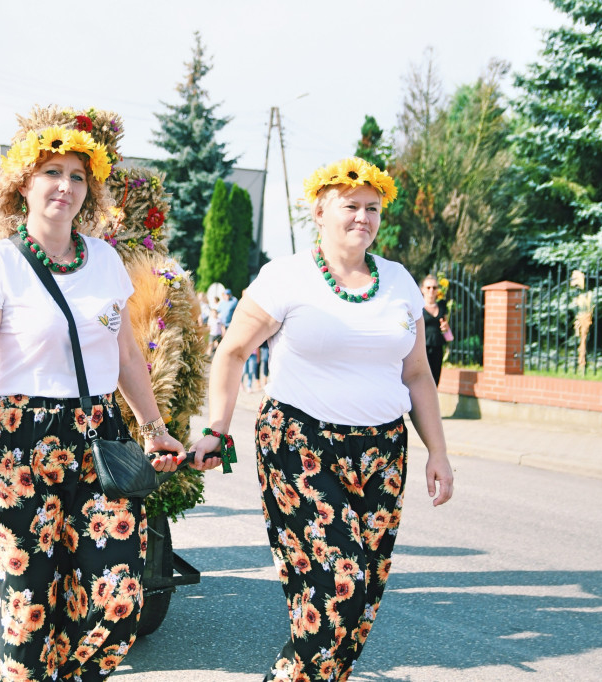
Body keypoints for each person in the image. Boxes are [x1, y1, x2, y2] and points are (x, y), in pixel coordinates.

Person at [0, 111, 185, 680]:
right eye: (52, 171)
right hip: (16, 443)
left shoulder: (103, 258)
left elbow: (125, 357)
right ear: (24, 185)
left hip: (98, 438)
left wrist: (153, 427)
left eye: (78, 176)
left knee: (115, 598)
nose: (65, 186)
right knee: (25, 606)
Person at [189, 157, 454, 681]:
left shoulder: (399, 282)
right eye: (350, 206)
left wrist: (438, 452)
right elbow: (232, 352)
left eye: (372, 208)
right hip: (300, 445)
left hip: (383, 453)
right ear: (319, 211)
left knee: (363, 599)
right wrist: (217, 427)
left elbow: (418, 375)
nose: (363, 218)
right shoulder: (287, 277)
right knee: (339, 583)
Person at [421, 275, 450, 386]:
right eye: (428, 288)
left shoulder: (442, 306)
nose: (431, 290)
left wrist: (445, 327)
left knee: (435, 377)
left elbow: (446, 326)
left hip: (437, 346)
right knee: (422, 378)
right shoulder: (418, 307)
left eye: (434, 287)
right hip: (422, 347)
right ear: (422, 289)